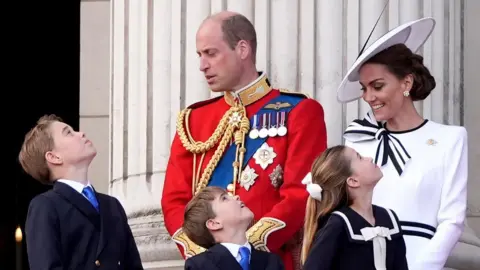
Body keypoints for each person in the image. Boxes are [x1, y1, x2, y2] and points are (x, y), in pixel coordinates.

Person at [161, 11, 327, 270]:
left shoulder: (299, 111)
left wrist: (244, 248)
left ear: (242, 49)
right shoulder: (194, 120)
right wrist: (206, 255)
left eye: (211, 53)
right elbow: (174, 201)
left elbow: (300, 194)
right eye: (200, 55)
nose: (202, 65)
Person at [337, 17, 468, 269]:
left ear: (406, 83)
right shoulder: (357, 141)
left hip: (419, 259)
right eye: (364, 88)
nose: (368, 97)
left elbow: (452, 220)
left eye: (377, 86)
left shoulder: (451, 139)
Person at [19, 115, 143, 270]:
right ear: (54, 157)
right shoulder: (46, 206)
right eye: (69, 133)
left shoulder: (112, 205)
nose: (81, 134)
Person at [301, 145, 408, 269]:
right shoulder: (337, 225)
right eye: (360, 158)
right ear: (353, 181)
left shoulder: (388, 218)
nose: (370, 158)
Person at [182, 186, 284, 270]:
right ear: (214, 223)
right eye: (224, 198)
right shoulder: (199, 265)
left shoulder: (272, 261)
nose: (237, 197)